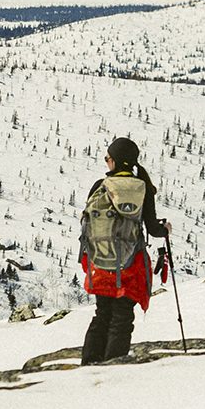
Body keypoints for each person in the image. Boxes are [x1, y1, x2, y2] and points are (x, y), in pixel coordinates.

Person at [79, 137, 169, 364]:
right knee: (122, 317)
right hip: (131, 264)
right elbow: (153, 229)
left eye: (108, 158)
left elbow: (86, 221)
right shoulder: (143, 188)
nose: (107, 162)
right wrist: (164, 229)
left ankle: (89, 363)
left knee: (102, 314)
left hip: (101, 262)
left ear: (116, 161)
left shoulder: (100, 186)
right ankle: (114, 367)